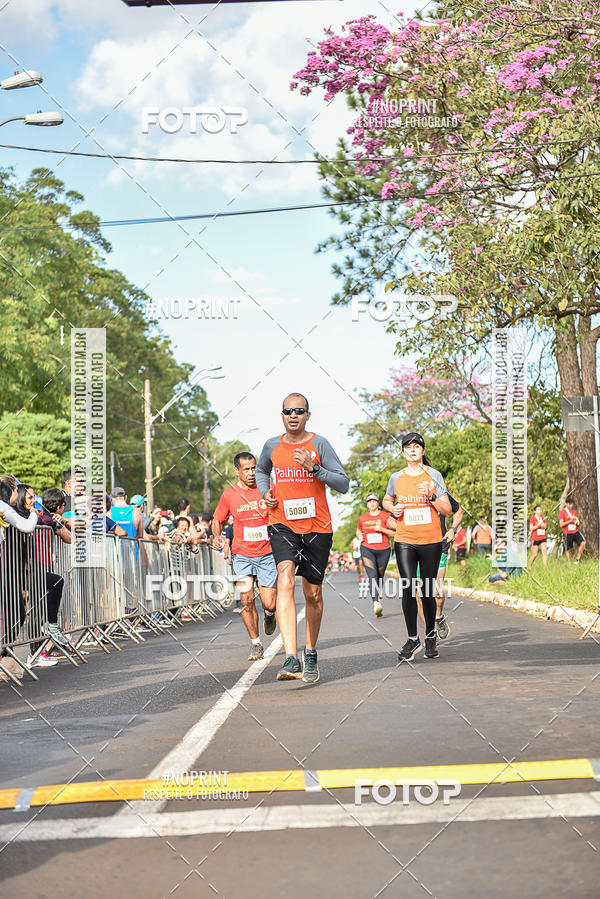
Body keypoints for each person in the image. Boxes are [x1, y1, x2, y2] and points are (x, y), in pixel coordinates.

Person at [256, 393, 349, 683]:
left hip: (317, 527)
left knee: (313, 594)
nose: (293, 415)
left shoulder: (319, 444)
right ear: (281, 415)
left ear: (308, 415)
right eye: (287, 411)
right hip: (282, 524)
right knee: (284, 578)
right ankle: (290, 657)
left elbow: (343, 484)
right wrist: (265, 493)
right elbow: (261, 470)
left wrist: (314, 468)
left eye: (299, 411)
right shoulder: (271, 445)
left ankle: (310, 652)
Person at [383, 432, 451, 662]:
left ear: (423, 451)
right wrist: (393, 509)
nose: (412, 450)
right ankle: (413, 639)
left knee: (427, 590)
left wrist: (431, 496)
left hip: (431, 540)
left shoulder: (434, 476)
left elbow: (446, 509)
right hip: (404, 540)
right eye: (408, 447)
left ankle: (430, 635)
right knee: (408, 588)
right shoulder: (396, 477)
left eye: (416, 446)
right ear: (403, 452)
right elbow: (386, 500)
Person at [213, 452, 277, 660]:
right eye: (246, 469)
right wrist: (216, 536)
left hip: (267, 552)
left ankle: (269, 615)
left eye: (253, 468)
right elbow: (217, 519)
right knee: (246, 600)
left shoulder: (267, 487)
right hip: (241, 554)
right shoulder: (229, 494)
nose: (251, 473)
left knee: (269, 602)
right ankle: (256, 643)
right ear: (237, 471)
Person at [0, 476, 39, 681]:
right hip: (6, 568)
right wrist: (34, 515)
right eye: (15, 488)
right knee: (11, 613)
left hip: (10, 568)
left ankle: (6, 656)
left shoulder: (6, 509)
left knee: (16, 613)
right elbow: (26, 526)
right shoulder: (3, 506)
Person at [357, 493, 395, 617]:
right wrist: (359, 535)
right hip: (367, 548)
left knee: (379, 576)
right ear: (367, 504)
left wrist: (383, 530)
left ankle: (378, 597)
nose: (372, 503)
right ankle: (376, 603)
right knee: (372, 575)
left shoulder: (386, 516)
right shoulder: (362, 518)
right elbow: (358, 530)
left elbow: (396, 532)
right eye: (369, 502)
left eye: (374, 501)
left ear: (378, 503)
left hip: (383, 550)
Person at [434, 493, 463, 640]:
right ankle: (430, 634)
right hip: (416, 546)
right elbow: (392, 520)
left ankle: (438, 617)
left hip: (439, 545)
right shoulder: (408, 492)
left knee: (437, 591)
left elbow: (458, 510)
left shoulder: (440, 493)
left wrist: (453, 529)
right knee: (420, 593)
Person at [559, 499, 586, 563]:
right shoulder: (562, 512)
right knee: (568, 548)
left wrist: (576, 521)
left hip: (575, 531)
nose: (571, 505)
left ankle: (577, 560)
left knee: (583, 542)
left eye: (572, 504)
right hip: (567, 532)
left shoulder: (573, 511)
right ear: (566, 504)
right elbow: (561, 524)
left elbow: (577, 522)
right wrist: (570, 520)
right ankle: (569, 563)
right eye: (569, 504)